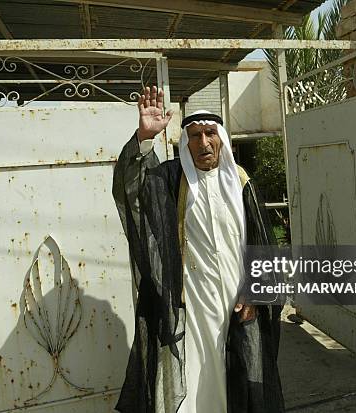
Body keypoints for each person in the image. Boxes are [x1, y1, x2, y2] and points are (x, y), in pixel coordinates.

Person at [112, 85, 284, 413]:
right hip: (193, 304)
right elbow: (130, 189)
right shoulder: (171, 180)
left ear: (220, 137)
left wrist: (257, 291)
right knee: (196, 381)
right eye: (194, 136)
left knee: (244, 377)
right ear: (185, 143)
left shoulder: (241, 181)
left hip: (238, 301)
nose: (203, 143)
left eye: (209, 134)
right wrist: (144, 138)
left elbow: (265, 243)